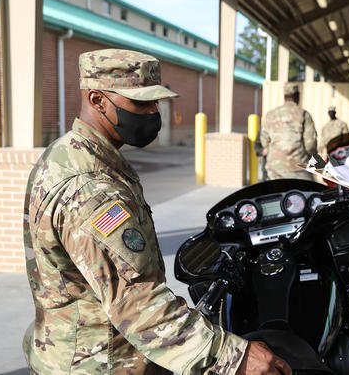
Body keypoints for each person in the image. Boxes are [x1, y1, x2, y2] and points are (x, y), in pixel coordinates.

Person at [22, 48, 291, 375]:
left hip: (93, 349)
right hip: (100, 363)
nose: (152, 113)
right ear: (97, 100)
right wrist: (233, 355)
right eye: (140, 103)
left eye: (155, 103)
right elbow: (138, 304)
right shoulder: (90, 189)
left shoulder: (73, 154)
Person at [260, 84, 317, 180]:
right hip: (298, 167)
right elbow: (310, 144)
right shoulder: (304, 114)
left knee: (277, 194)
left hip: (274, 168)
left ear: (284, 97)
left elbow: (264, 140)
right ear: (297, 96)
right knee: (305, 192)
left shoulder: (271, 114)